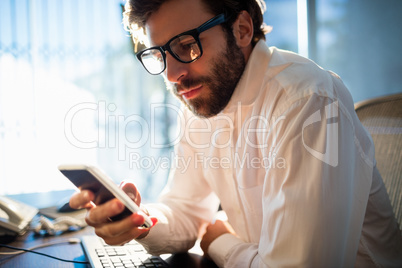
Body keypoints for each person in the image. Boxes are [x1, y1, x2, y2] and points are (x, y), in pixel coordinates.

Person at [70, 0, 402, 267]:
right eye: (159, 55)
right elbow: (186, 211)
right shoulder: (203, 100)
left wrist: (220, 242)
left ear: (242, 29)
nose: (172, 74)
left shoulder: (306, 100)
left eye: (186, 45)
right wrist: (137, 220)